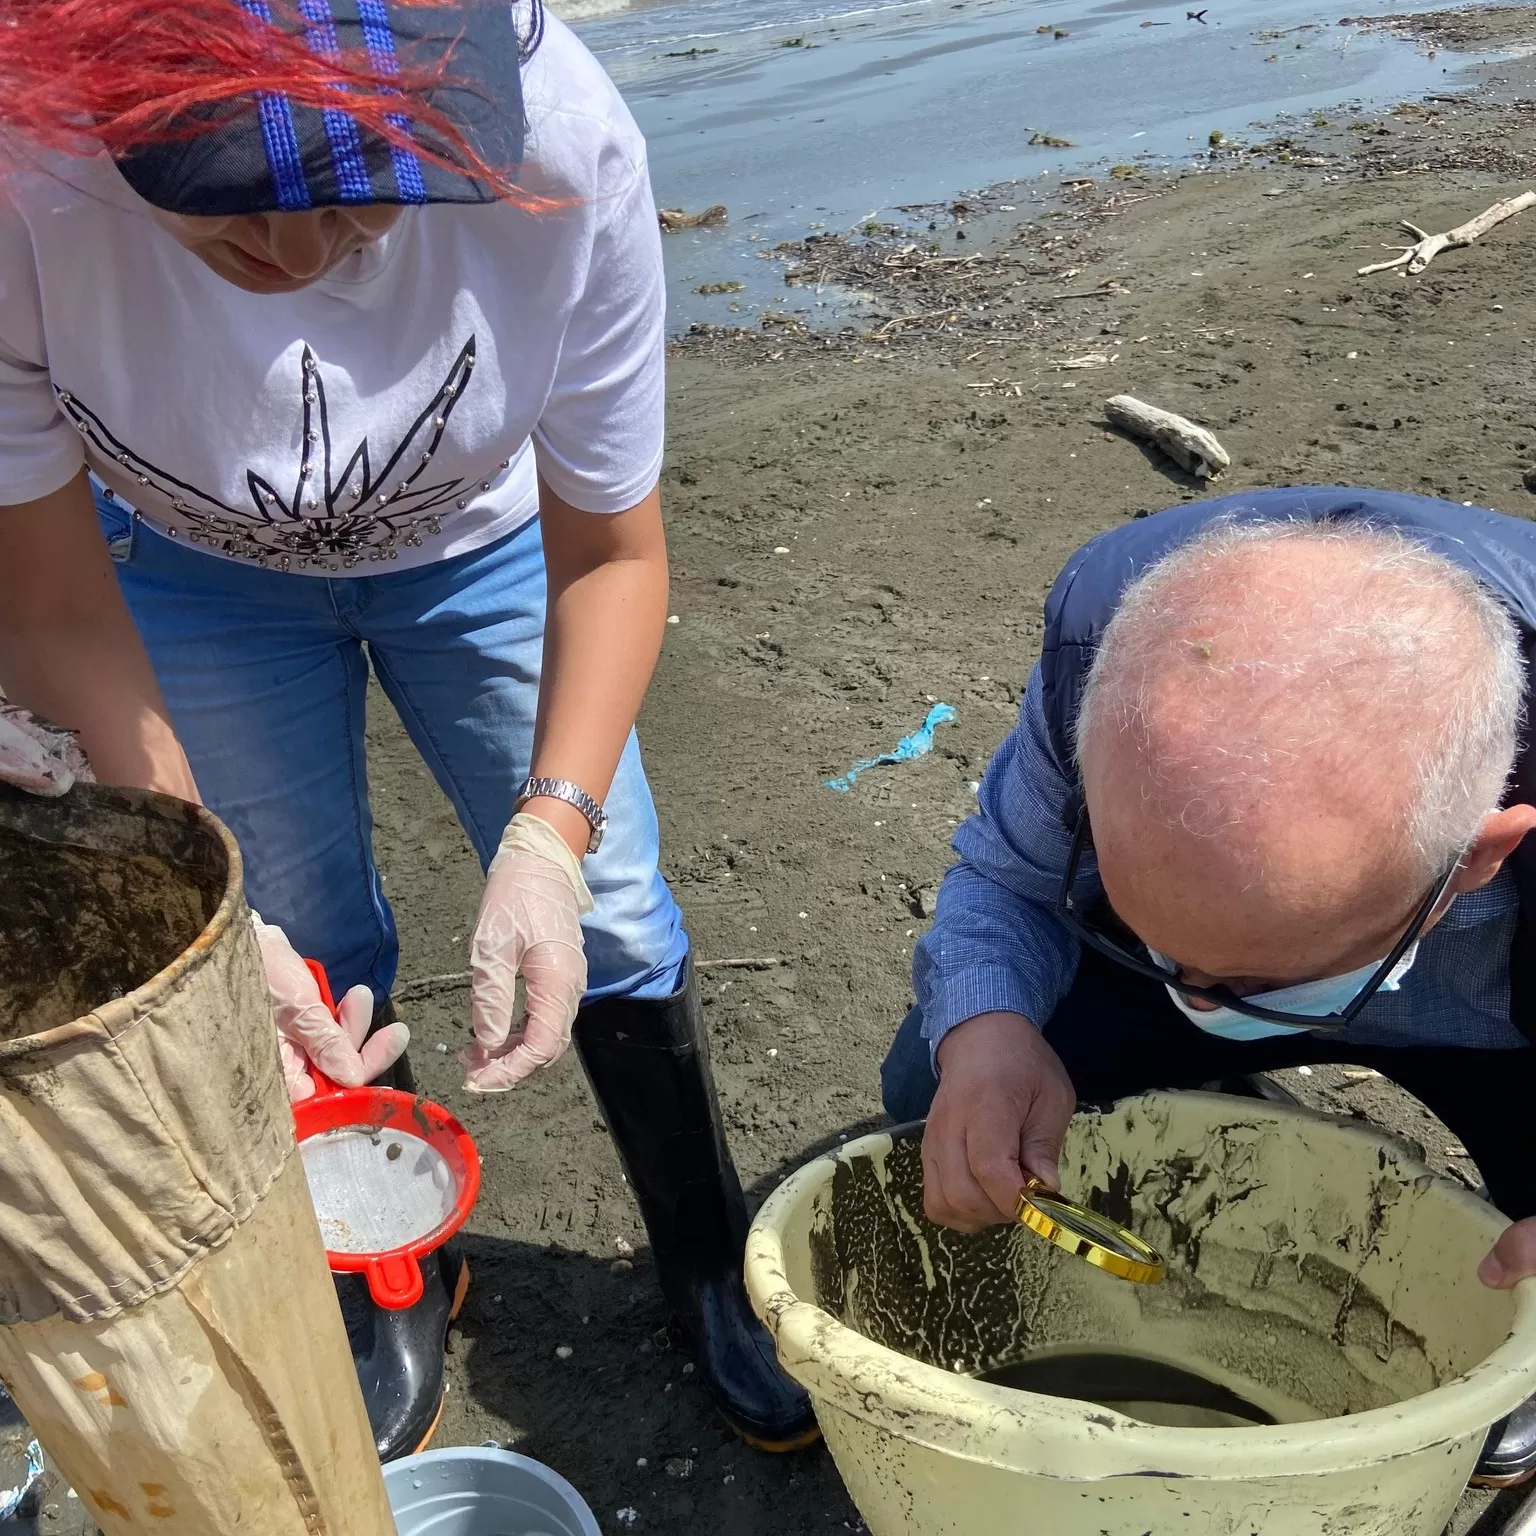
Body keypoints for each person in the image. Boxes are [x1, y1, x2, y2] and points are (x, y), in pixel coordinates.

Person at [0, 0, 814, 1457]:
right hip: (191, 574)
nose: (303, 259)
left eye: (369, 195)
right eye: (229, 211)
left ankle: (703, 1254)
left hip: (494, 552)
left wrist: (551, 832)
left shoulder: (564, 146)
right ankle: (395, 1257)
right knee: (287, 934)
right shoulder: (20, 175)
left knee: (611, 910)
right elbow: (54, 605)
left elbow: (615, 554)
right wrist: (210, 896)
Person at [881, 486, 1536, 1487]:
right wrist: (989, 1031)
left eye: (1250, 977)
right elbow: (1007, 881)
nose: (1204, 1000)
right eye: (1168, 947)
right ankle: (1208, 1041)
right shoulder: (1114, 658)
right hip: (1170, 966)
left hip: (1505, 1025)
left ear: (1479, 859)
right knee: (944, 1087)